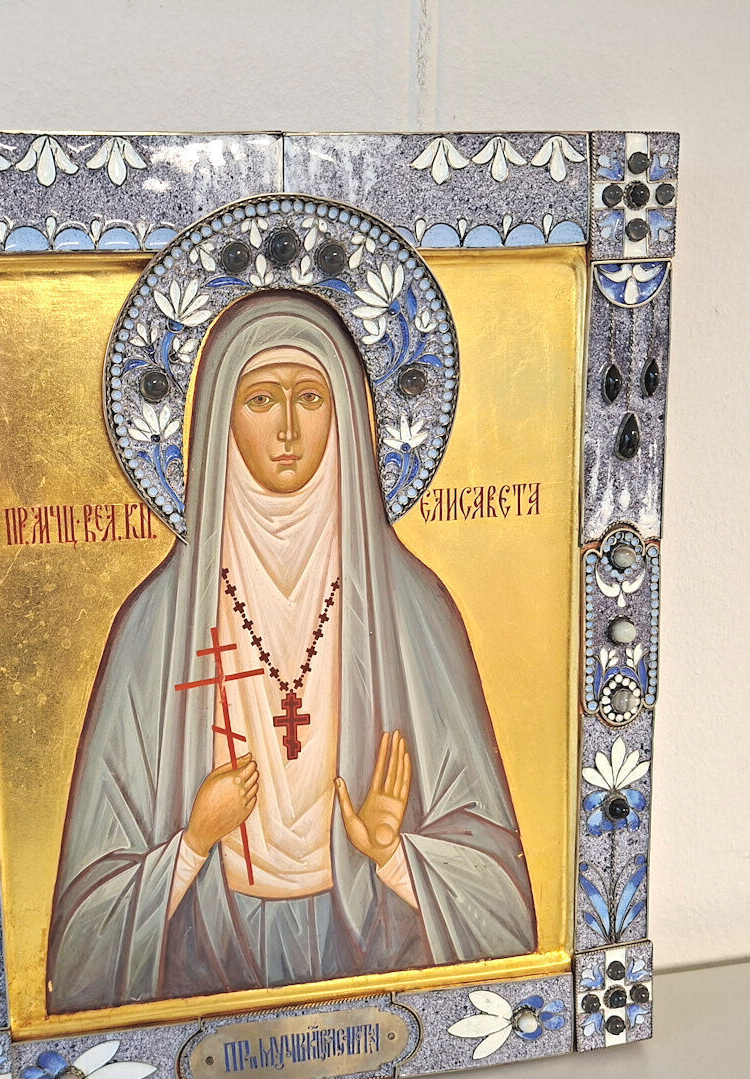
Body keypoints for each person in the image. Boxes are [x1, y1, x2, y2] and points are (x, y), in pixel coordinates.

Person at [48, 290, 535, 1012]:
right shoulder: (155, 628)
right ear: (220, 418)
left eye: (310, 397)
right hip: (208, 950)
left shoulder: (414, 610)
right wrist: (192, 844)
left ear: (345, 416)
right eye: (260, 400)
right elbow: (83, 941)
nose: (286, 429)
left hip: (372, 942)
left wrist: (395, 855)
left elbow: (504, 901)